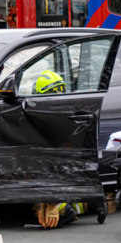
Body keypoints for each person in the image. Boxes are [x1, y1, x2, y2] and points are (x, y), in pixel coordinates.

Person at [31, 70, 82, 228]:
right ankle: (77, 205)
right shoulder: (69, 115)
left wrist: (52, 203)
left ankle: (64, 207)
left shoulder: (43, 119)